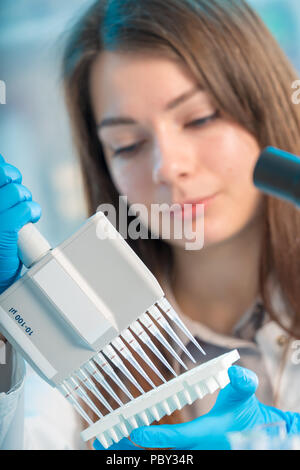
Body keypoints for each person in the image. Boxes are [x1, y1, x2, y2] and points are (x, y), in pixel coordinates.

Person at [1, 0, 300, 450]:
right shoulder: (78, 346)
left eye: (199, 118)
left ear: (266, 108)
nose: (167, 166)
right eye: (127, 144)